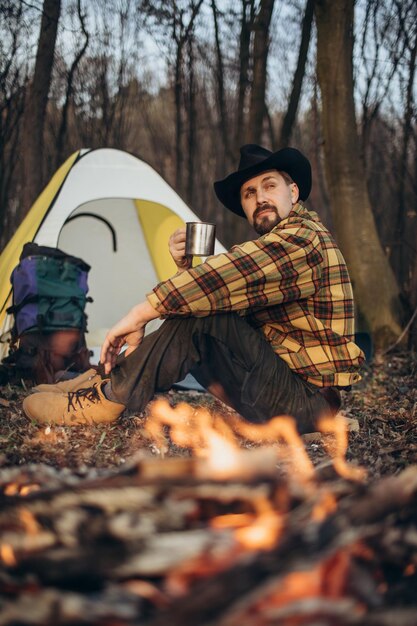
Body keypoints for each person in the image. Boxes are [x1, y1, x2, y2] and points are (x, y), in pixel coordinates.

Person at [23, 144, 365, 432]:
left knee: (204, 319)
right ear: (244, 207)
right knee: (205, 311)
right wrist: (185, 269)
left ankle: (109, 398)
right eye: (249, 193)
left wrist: (139, 314)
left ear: (293, 193)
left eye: (269, 186)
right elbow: (222, 300)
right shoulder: (281, 245)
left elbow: (224, 282)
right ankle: (100, 383)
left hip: (307, 406)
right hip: (282, 392)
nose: (259, 198)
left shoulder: (304, 238)